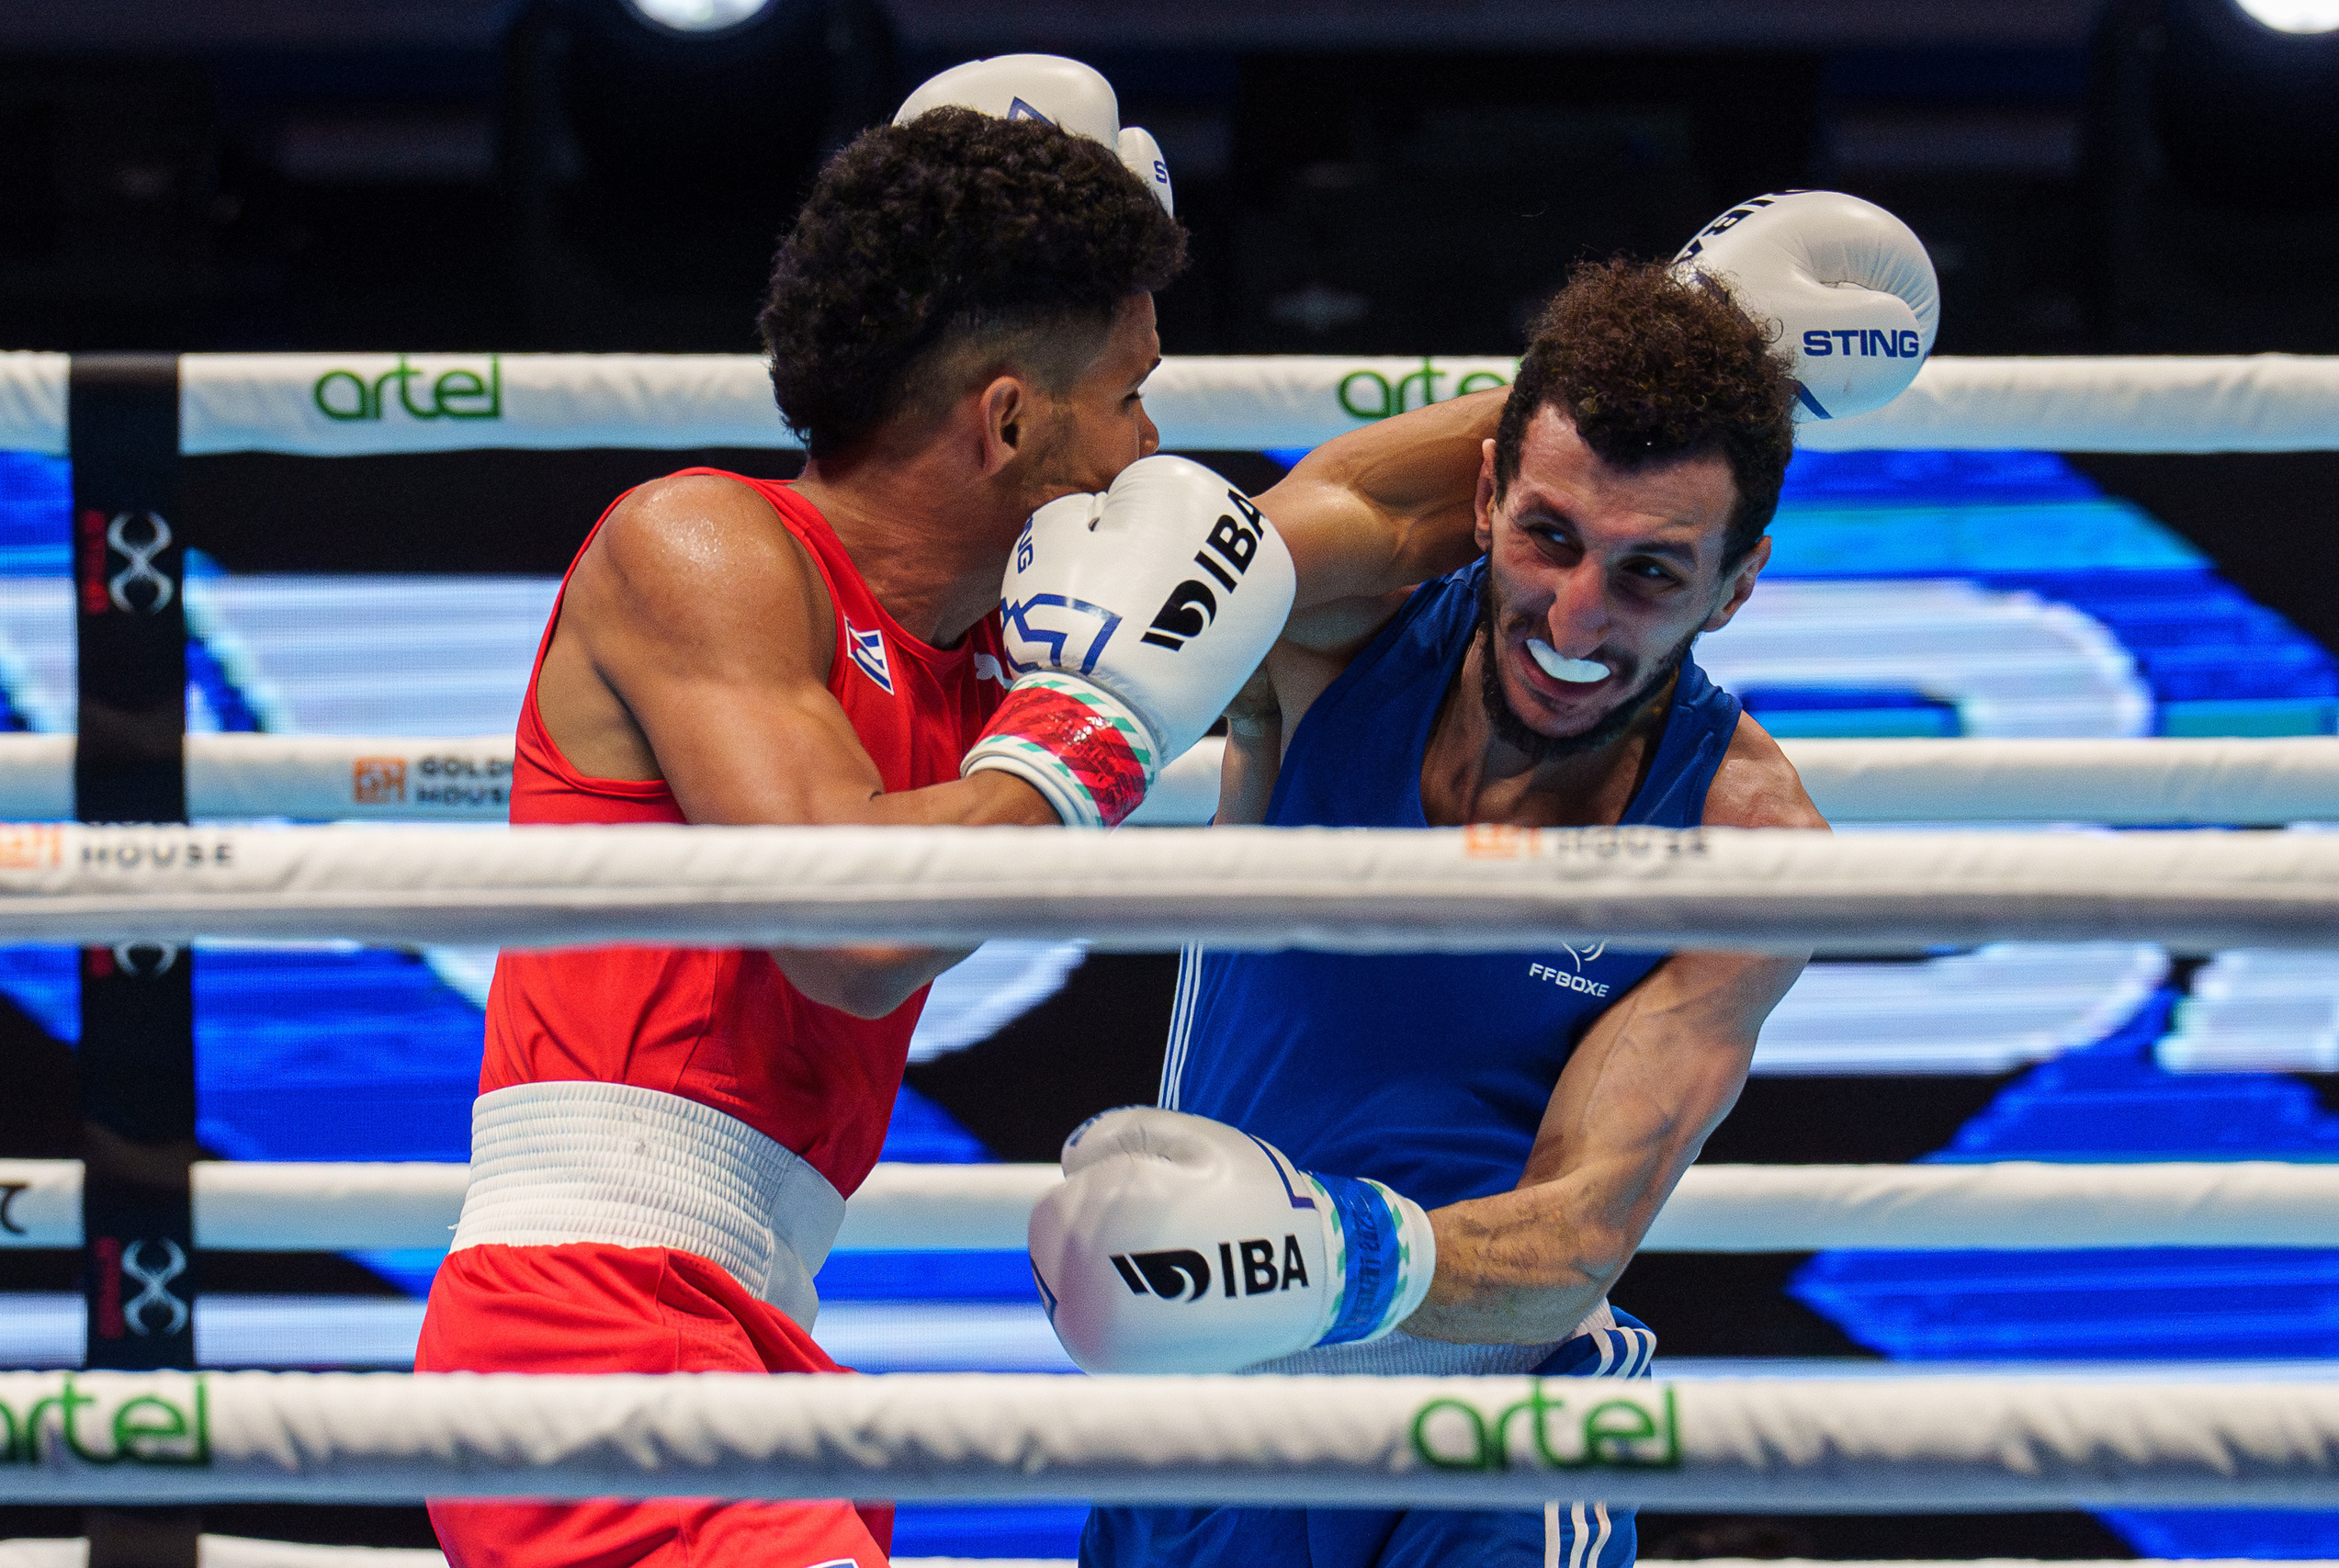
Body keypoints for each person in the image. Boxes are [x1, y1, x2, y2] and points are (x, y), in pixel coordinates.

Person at [413, 54, 1519, 1568]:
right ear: (1008, 423)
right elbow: (851, 933)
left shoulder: (1010, 640)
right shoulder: (708, 547)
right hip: (588, 1326)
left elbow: (1372, 516)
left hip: (746, 1337)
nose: (1148, 451)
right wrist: (1094, 731)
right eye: (1127, 398)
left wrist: (1696, 359)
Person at [1032, 197, 1939, 1568]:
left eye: (1652, 573)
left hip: (1492, 1424)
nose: (1579, 622)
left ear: (1737, 588)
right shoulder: (1334, 641)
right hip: (1203, 1422)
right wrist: (1693, 339)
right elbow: (1271, 534)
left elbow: (1579, 1235)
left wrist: (1329, 1260)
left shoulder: (1745, 848)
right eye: (1552, 540)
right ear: (1482, 502)